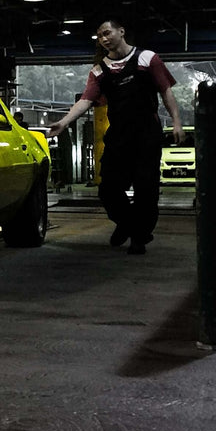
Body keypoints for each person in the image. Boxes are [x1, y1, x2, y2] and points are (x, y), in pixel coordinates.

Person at [47, 17, 182, 255]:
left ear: (121, 31)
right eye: (100, 36)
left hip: (146, 134)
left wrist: (176, 123)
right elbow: (85, 101)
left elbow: (166, 91)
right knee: (108, 188)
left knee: (146, 189)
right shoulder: (99, 70)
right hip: (118, 136)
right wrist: (64, 123)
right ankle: (128, 224)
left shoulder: (147, 58)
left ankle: (138, 237)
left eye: (107, 33)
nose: (104, 38)